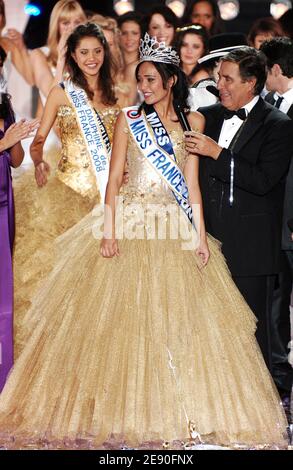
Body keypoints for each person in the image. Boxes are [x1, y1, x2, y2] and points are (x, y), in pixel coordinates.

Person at [0, 34, 288, 450]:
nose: (145, 87)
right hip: (131, 224)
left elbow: (191, 187)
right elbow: (114, 179)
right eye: (141, 80)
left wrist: (200, 235)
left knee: (177, 322)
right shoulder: (127, 118)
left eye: (152, 79)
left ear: (171, 81)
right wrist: (109, 229)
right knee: (122, 324)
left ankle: (181, 409)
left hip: (171, 226)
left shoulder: (196, 122)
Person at [13, 23, 121, 358]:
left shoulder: (119, 93)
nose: (92, 58)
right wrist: (38, 160)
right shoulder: (62, 92)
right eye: (84, 52)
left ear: (105, 53)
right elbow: (39, 141)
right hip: (66, 194)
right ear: (73, 56)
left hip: (105, 195)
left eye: (97, 51)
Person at [185, 46, 293, 374]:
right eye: (219, 77)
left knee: (250, 334)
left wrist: (218, 154)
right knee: (205, 331)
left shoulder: (279, 125)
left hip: (251, 248)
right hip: (208, 242)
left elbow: (263, 181)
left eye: (228, 79)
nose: (221, 85)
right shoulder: (210, 117)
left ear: (252, 83)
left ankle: (258, 415)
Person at [260, 37, 293, 402]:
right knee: (276, 302)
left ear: (276, 70)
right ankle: (280, 375)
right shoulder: (269, 107)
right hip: (276, 225)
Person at [0, 91, 39, 391]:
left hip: (4, 205)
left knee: (5, 298)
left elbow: (16, 161)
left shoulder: (4, 104)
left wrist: (16, 140)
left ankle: (5, 380)